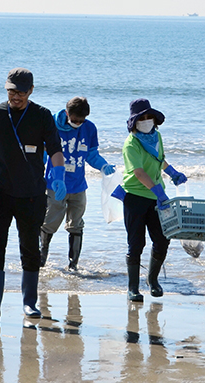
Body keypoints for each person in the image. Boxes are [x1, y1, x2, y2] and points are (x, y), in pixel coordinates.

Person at [0, 67, 66, 322]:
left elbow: (55, 149)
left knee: (30, 247)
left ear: (31, 90)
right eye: (12, 91)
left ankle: (29, 303)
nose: (16, 96)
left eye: (21, 92)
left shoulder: (42, 116)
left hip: (31, 193)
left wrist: (60, 175)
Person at [120, 98, 187, 302]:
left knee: (162, 239)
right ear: (135, 121)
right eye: (142, 118)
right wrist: (159, 192)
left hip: (157, 199)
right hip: (135, 197)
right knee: (136, 243)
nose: (147, 121)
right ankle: (133, 288)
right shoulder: (131, 143)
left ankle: (153, 280)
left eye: (149, 117)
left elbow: (159, 159)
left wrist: (171, 171)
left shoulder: (156, 137)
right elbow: (139, 172)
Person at [40, 96, 115, 270]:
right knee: (49, 223)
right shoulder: (51, 124)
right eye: (74, 120)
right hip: (55, 185)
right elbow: (42, 155)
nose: (78, 123)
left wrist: (103, 166)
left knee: (76, 224)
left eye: (81, 120)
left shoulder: (89, 128)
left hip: (78, 186)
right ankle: (40, 261)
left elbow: (91, 155)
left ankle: (73, 266)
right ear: (67, 113)